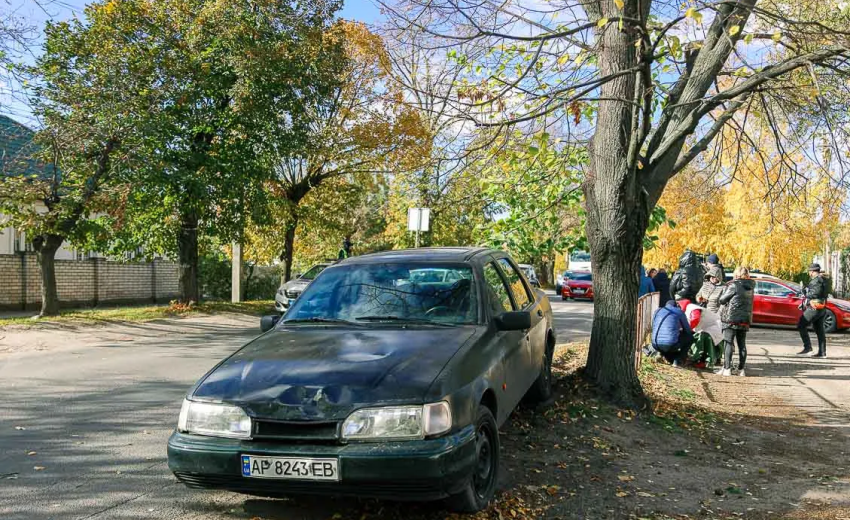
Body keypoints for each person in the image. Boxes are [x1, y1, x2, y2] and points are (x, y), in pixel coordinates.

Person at [717, 266, 754, 377]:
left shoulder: (733, 285)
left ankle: (727, 368)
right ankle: (741, 369)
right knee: (742, 344)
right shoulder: (751, 286)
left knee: (728, 342)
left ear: (736, 275)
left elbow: (722, 300)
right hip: (745, 319)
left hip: (731, 318)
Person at [797, 263, 830, 358]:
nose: (809, 273)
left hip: (815, 307)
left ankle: (808, 348)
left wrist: (805, 294)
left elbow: (815, 293)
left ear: (812, 271)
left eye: (809, 271)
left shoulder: (817, 280)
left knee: (801, 325)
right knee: (819, 330)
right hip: (822, 307)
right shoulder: (823, 280)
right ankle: (822, 352)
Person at [651, 299, 694, 367]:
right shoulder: (678, 311)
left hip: (655, 344)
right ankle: (678, 360)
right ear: (676, 306)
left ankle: (660, 354)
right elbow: (687, 330)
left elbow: (653, 326)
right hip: (670, 345)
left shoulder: (657, 311)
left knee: (666, 340)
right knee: (690, 338)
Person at [684, 301, 723, 367]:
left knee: (702, 338)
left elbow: (695, 319)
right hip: (707, 327)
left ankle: (700, 360)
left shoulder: (692, 308)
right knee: (700, 337)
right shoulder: (690, 308)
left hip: (713, 327)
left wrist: (689, 329)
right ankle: (702, 360)